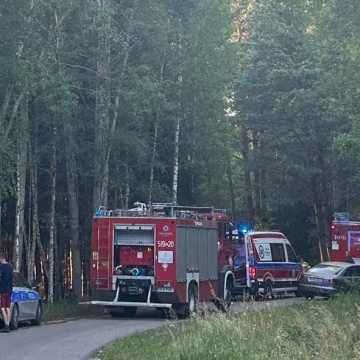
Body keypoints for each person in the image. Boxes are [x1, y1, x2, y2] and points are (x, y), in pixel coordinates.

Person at [0, 251, 13, 333]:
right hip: (9, 290)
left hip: (2, 290)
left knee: (2, 308)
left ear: (2, 258)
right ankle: (8, 324)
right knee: (8, 308)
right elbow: (11, 278)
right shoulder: (10, 266)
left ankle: (6, 325)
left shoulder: (1, 267)